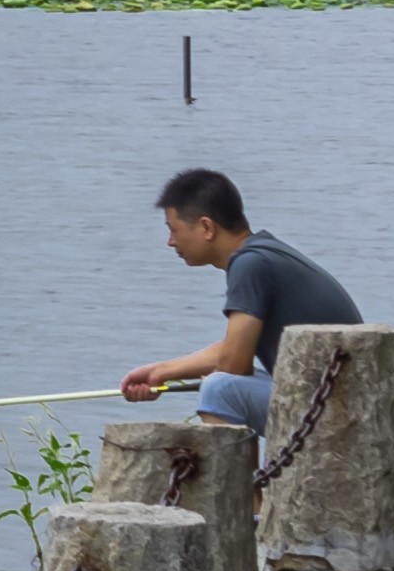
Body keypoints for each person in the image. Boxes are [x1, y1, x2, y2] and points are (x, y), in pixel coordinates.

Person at [118, 168, 361, 436]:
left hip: (340, 411)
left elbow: (234, 364)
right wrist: (160, 372)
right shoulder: (264, 253)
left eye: (173, 230)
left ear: (207, 227)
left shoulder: (249, 264)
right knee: (223, 382)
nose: (170, 242)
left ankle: (236, 466)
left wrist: (211, 377)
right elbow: (235, 349)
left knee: (218, 390)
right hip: (339, 398)